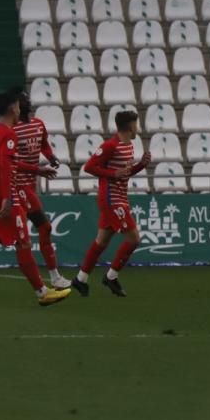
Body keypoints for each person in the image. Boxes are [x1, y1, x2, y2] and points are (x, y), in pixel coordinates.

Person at [0, 89, 71, 308]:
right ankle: (42, 292)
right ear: (13, 108)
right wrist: (7, 198)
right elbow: (6, 166)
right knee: (23, 243)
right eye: (18, 104)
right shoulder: (9, 134)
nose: (22, 106)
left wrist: (36, 169)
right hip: (1, 197)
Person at [70, 110, 151, 297]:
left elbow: (125, 173)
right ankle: (111, 276)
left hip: (120, 197)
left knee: (101, 241)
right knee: (133, 239)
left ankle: (80, 279)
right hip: (111, 199)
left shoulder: (128, 145)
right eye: (136, 124)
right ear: (130, 126)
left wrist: (140, 166)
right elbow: (89, 167)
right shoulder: (110, 146)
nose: (137, 128)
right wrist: (112, 174)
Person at [11, 89, 72, 289]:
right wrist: (38, 169)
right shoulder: (12, 130)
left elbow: (43, 144)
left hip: (30, 185)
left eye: (27, 98)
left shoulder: (38, 124)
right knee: (45, 227)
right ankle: (54, 276)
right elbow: (12, 163)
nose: (26, 101)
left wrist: (51, 156)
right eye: (22, 100)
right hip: (19, 185)